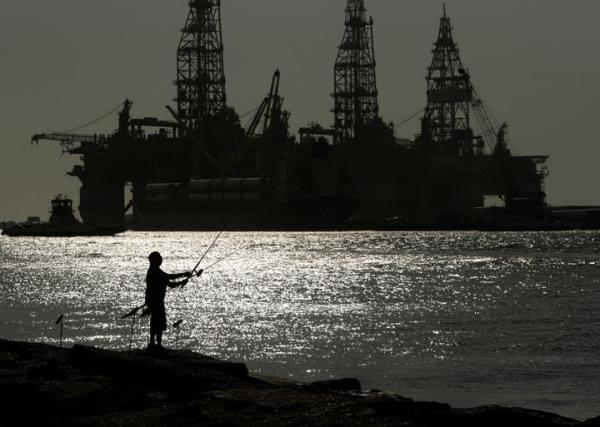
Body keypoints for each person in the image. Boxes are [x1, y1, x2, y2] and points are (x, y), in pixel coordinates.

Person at [145, 251, 202, 351]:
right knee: (157, 323)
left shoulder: (154, 271)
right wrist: (182, 278)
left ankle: (154, 344)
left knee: (156, 322)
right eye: (159, 259)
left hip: (153, 301)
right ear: (156, 261)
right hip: (156, 302)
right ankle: (156, 345)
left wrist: (183, 277)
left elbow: (169, 280)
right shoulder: (155, 272)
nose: (160, 260)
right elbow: (169, 280)